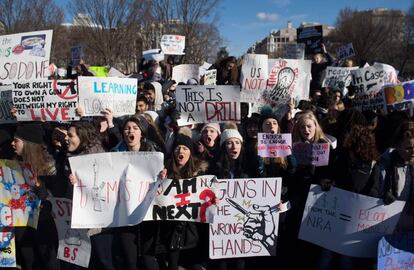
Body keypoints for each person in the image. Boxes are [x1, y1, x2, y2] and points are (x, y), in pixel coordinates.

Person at [143, 133, 208, 270]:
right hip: (168, 230)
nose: (181, 151)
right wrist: (160, 180)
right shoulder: (164, 171)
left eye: (185, 148)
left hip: (190, 231)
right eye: (178, 148)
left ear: (190, 153)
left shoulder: (199, 176)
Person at [67, 122, 116, 270]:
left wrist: (83, 182)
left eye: (71, 135)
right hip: (81, 221)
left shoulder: (98, 157)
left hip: (99, 224)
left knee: (103, 260)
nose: (66, 139)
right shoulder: (71, 156)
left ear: (82, 137)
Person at [11, 123, 60, 270]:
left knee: (48, 262)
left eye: (16, 140)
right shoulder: (12, 164)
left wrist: (39, 186)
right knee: (29, 261)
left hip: (44, 221)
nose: (12, 144)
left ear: (27, 143)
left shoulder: (48, 165)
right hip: (20, 221)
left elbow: (55, 194)